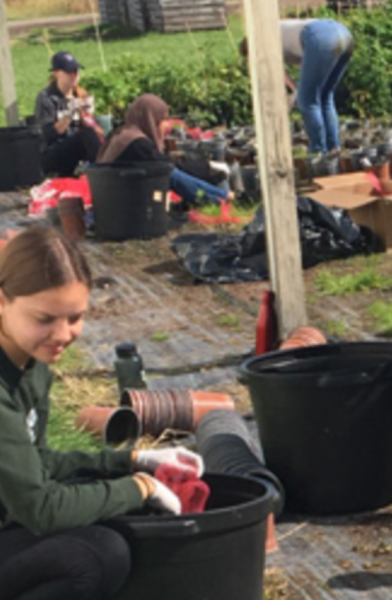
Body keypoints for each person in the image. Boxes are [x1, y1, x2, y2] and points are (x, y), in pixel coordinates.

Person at [0, 227, 204, 599]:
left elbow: (38, 462)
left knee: (108, 530)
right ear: (2, 301)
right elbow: (40, 508)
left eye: (75, 317)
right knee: (90, 561)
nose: (62, 334)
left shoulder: (32, 362)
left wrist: (132, 460)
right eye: (44, 319)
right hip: (18, 515)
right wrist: (140, 487)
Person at [240, 19, 354, 154]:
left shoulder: (262, 41)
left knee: (307, 102)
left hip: (319, 36)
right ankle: (334, 148)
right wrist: (296, 88)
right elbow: (309, 67)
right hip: (343, 33)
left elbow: (278, 72)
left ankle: (318, 151)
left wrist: (295, 90)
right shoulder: (282, 33)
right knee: (325, 96)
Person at [97, 94, 232, 205]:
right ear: (151, 119)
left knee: (168, 171)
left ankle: (219, 196)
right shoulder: (137, 143)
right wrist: (208, 169)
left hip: (114, 194)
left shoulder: (125, 133)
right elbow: (166, 166)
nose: (167, 125)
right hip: (118, 201)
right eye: (163, 119)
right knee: (169, 173)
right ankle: (222, 198)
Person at [33, 51, 103, 178]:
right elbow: (48, 135)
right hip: (54, 152)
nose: (74, 75)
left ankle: (102, 169)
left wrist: (87, 114)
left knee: (94, 136)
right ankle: (102, 171)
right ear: (56, 73)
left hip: (76, 149)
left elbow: (91, 129)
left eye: (76, 71)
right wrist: (70, 113)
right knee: (86, 136)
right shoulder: (46, 98)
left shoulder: (80, 94)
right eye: (69, 72)